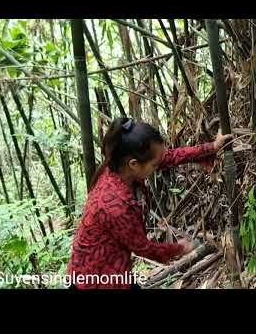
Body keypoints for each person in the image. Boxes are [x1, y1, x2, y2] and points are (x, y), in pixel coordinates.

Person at [67, 117, 232, 289]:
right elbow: (143, 248)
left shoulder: (120, 168)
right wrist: (180, 249)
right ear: (133, 164)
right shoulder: (116, 204)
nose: (159, 164)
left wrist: (211, 147)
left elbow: (168, 157)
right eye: (154, 164)